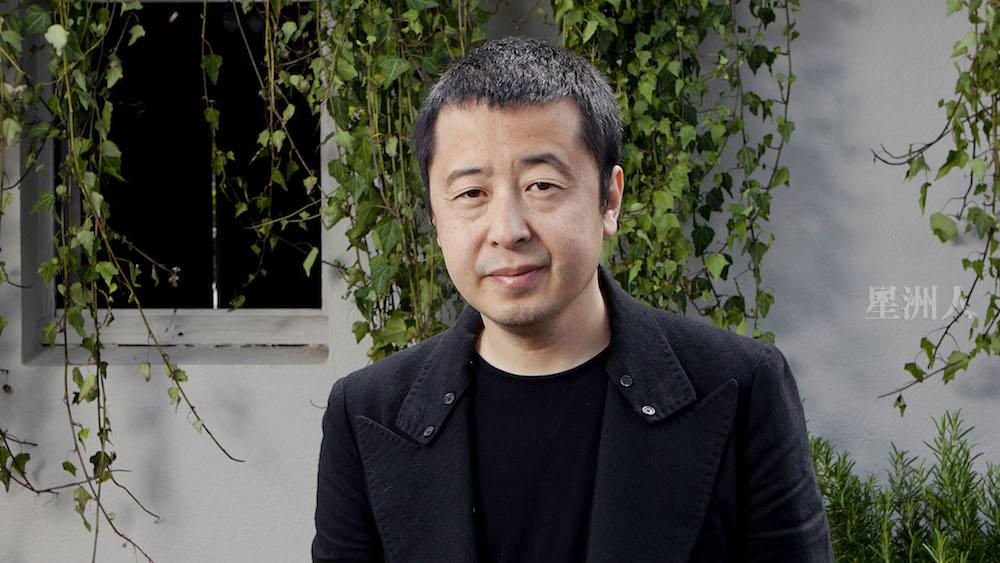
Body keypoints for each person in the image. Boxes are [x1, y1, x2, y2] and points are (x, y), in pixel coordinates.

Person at [312, 37, 833, 563]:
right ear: (434, 214)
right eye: (472, 193)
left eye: (541, 185)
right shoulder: (367, 414)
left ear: (610, 199)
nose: (507, 230)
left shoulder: (740, 387)